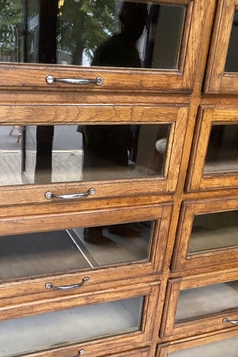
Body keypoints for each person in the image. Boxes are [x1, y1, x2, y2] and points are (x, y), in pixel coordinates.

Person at [80, 2, 148, 245]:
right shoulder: (112, 49)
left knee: (118, 179)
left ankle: (116, 224)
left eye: (143, 22)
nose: (141, 27)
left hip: (115, 125)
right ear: (124, 20)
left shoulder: (127, 49)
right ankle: (93, 230)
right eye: (137, 21)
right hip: (101, 127)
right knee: (100, 179)